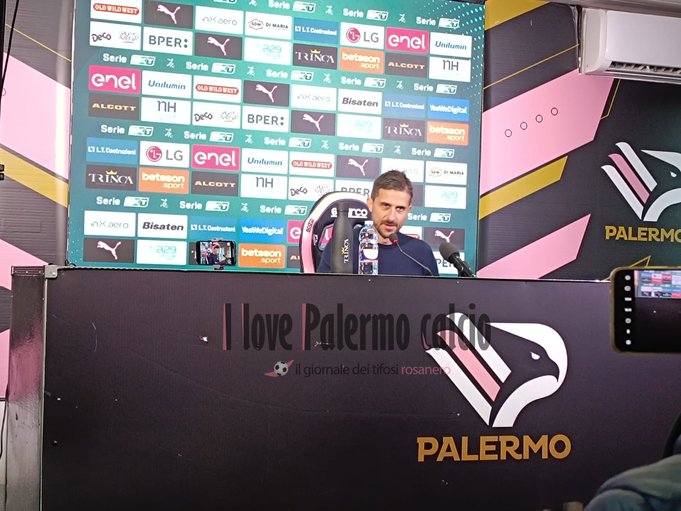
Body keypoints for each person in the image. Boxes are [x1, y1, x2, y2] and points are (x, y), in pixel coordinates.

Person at [317, 170, 439, 276]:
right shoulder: (342, 246)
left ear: (408, 210)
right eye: (385, 206)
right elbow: (323, 292)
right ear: (370, 204)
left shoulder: (421, 252)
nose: (391, 217)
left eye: (400, 209)